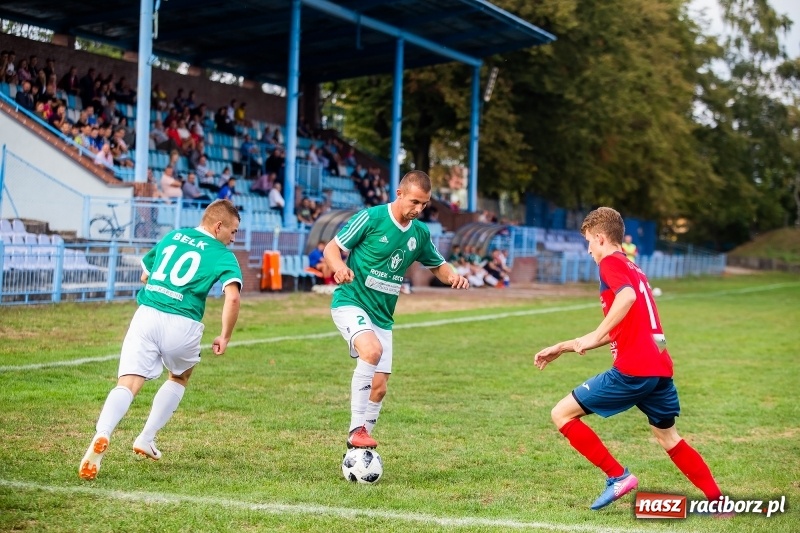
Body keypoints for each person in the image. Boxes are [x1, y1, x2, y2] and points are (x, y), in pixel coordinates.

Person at [533, 207, 724, 511]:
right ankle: (718, 501)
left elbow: (626, 300)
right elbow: (628, 325)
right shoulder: (634, 268)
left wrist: (594, 336)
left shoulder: (610, 263)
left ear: (600, 238)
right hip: (659, 366)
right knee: (668, 437)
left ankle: (617, 477)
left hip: (635, 369)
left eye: (589, 243)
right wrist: (565, 345)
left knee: (561, 414)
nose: (588, 251)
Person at [79, 200, 243, 481]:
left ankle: (102, 433)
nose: (234, 237)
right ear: (218, 227)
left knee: (129, 382)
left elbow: (145, 274)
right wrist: (225, 336)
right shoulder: (222, 254)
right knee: (180, 375)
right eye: (233, 231)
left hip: (147, 314)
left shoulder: (172, 236)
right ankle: (146, 437)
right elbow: (233, 296)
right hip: (182, 322)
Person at [323, 170, 469, 450]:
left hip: (383, 316)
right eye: (414, 202)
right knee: (371, 350)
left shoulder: (419, 233)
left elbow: (438, 265)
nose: (419, 209)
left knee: (379, 387)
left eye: (424, 204)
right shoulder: (371, 218)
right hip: (350, 301)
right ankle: (356, 430)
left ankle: (357, 450)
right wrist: (340, 267)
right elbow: (333, 247)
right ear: (399, 194)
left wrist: (452, 276)